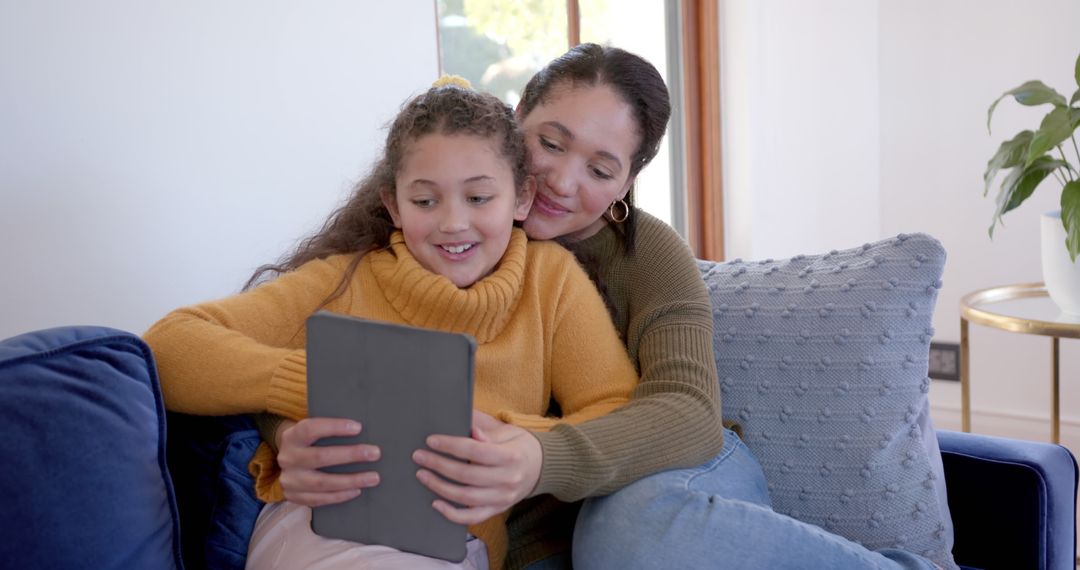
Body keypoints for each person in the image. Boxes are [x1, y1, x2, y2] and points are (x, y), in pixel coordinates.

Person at [268, 44, 945, 570]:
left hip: (673, 472)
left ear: (626, 182)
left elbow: (688, 414)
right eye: (551, 143)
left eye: (600, 167)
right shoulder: (440, 232)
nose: (562, 180)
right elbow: (310, 354)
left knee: (624, 529)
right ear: (513, 125)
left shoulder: (646, 252)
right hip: (528, 513)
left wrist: (541, 456)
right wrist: (283, 437)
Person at [142, 77, 641, 569]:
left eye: (479, 197)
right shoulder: (345, 279)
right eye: (425, 201)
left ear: (522, 199)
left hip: (454, 541)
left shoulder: (550, 281)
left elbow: (617, 407)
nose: (452, 223)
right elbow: (167, 345)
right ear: (393, 205)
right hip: (317, 525)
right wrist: (317, 385)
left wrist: (520, 442)